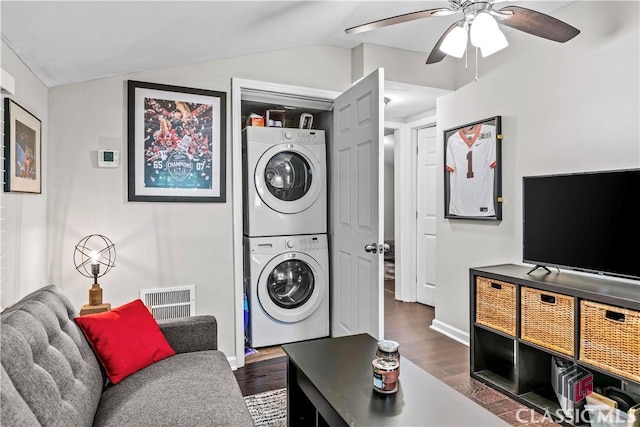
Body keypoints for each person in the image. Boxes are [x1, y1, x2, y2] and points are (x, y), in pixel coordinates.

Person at [445, 123, 496, 217]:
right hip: (462, 206)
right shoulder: (452, 140)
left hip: (469, 206)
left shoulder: (491, 132)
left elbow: (450, 167)